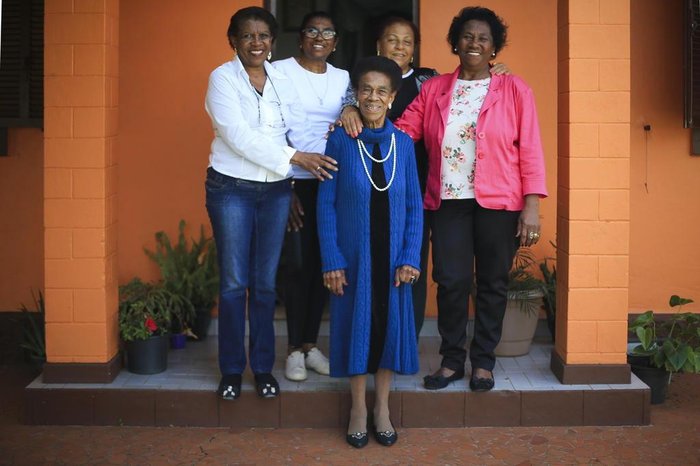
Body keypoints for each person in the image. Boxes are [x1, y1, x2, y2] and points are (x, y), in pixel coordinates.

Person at [394, 7, 547, 392]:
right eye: (467, 36)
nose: (474, 43)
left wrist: (532, 204)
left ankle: (483, 363)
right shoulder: (435, 89)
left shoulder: (515, 89)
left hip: (500, 202)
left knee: (493, 282)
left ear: (494, 47)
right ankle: (450, 361)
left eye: (483, 38)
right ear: (455, 43)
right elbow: (403, 130)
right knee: (451, 280)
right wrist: (357, 120)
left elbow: (529, 148)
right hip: (448, 200)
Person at [339, 15, 510, 339]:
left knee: (411, 260)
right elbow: (373, 121)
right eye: (392, 39)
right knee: (381, 259)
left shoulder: (427, 81)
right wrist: (349, 110)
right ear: (379, 44)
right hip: (376, 184)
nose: (399, 47)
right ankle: (374, 334)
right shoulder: (361, 82)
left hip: (419, 188)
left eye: (406, 41)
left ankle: (407, 337)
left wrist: (497, 70)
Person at [204, 6, 337, 401]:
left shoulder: (281, 78)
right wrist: (296, 158)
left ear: (272, 42)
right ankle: (231, 370)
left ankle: (262, 368)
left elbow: (306, 120)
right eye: (247, 36)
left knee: (264, 285)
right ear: (233, 40)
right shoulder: (222, 79)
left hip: (277, 190)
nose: (256, 43)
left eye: (263, 36)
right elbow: (238, 136)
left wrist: (346, 110)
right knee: (233, 283)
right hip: (231, 189)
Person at [317, 56, 423, 448]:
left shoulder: (404, 145)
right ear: (356, 95)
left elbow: (413, 205)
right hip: (354, 259)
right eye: (366, 90)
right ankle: (358, 408)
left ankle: (383, 408)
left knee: (387, 329)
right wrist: (332, 259)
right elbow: (325, 204)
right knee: (356, 328)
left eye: (382, 91)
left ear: (393, 97)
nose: (373, 97)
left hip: (394, 259)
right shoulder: (340, 141)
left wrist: (411, 255)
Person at [272, 12, 350, 382]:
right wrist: (285, 184)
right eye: (312, 31)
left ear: (335, 42)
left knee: (323, 264)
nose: (320, 37)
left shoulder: (344, 78)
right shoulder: (280, 71)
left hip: (331, 181)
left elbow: (355, 112)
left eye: (327, 32)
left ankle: (310, 346)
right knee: (295, 265)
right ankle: (292, 349)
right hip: (292, 181)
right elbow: (270, 128)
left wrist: (349, 110)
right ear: (301, 38)